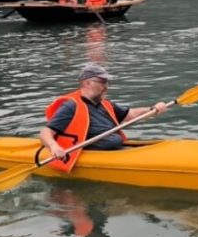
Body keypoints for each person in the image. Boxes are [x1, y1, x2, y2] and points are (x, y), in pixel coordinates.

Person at [38, 63, 168, 172]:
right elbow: (46, 132)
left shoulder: (105, 104)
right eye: (102, 82)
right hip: (89, 155)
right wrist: (54, 147)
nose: (106, 87)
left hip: (115, 151)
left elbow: (131, 114)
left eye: (107, 82)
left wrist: (153, 109)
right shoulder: (71, 106)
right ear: (87, 83)